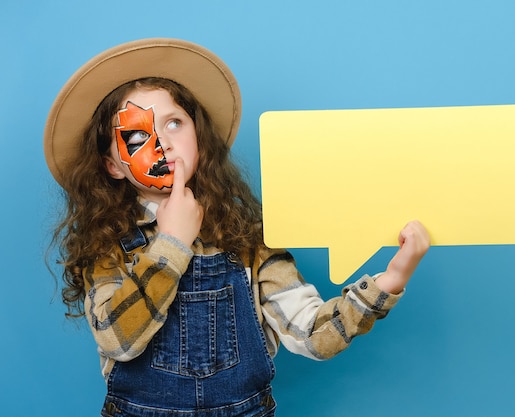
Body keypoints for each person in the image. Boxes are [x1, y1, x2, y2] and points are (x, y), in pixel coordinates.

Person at [44, 38, 430, 417]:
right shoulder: (108, 245)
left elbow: (311, 333)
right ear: (112, 164)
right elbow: (118, 340)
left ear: (198, 136)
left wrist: (389, 281)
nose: (163, 145)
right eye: (140, 136)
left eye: (174, 123)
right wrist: (172, 242)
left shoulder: (246, 237)